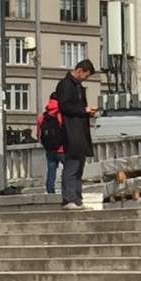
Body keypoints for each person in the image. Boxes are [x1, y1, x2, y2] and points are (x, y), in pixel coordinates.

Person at [56, 59, 98, 210]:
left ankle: (77, 199)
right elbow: (65, 107)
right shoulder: (65, 85)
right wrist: (84, 110)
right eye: (85, 76)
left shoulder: (79, 87)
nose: (85, 79)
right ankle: (68, 199)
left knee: (79, 166)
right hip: (70, 130)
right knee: (71, 166)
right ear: (79, 71)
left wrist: (88, 112)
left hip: (80, 130)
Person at [36, 92, 65, 195]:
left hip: (49, 149)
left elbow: (38, 134)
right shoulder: (60, 114)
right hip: (62, 148)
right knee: (68, 169)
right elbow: (65, 129)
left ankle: (50, 191)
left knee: (51, 170)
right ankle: (65, 190)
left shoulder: (42, 116)